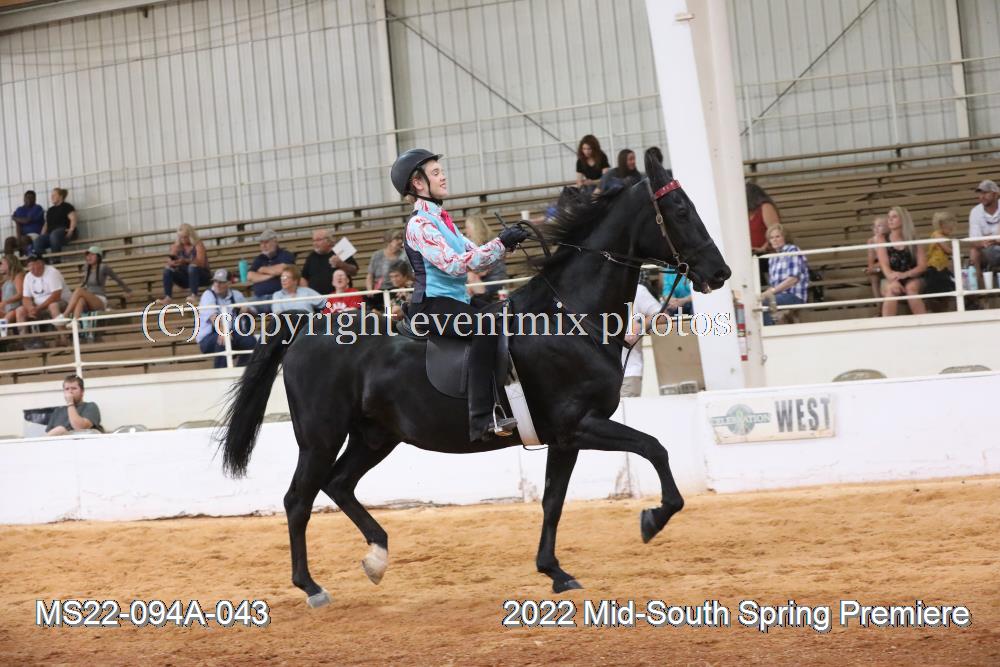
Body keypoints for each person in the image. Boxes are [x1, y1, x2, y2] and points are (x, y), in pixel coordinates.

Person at [390, 148, 528, 442]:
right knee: (485, 327)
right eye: (436, 173)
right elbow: (454, 265)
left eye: (441, 171)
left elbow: (478, 259)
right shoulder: (420, 224)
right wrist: (499, 243)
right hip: (432, 306)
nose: (443, 176)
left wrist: (507, 244)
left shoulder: (444, 220)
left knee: (508, 312)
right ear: (418, 183)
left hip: (456, 302)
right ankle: (482, 418)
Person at [53, 246, 131, 327]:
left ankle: (64, 316)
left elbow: (116, 278)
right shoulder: (87, 268)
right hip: (89, 299)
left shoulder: (103, 267)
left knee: (79, 290)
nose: (89, 257)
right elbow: (85, 283)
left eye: (92, 255)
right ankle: (75, 322)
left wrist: (128, 291)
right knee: (81, 299)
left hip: (99, 300)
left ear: (98, 257)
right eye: (88, 255)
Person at [196, 269, 257, 368]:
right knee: (225, 339)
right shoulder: (208, 295)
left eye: (221, 282)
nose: (217, 284)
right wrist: (223, 332)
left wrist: (247, 309)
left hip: (232, 334)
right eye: (215, 281)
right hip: (208, 338)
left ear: (229, 283)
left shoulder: (236, 294)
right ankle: (220, 374)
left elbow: (254, 312)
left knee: (251, 341)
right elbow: (213, 317)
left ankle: (242, 372)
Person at [876, 206, 927, 317]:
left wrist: (905, 274)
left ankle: (923, 321)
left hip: (913, 276)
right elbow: (884, 265)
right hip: (890, 276)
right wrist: (893, 279)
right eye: (889, 217)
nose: (890, 220)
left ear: (903, 219)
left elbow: (922, 265)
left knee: (911, 289)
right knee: (892, 289)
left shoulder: (913, 238)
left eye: (894, 217)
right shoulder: (882, 238)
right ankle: (888, 324)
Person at [762, 224, 809, 325]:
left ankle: (770, 330)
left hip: (794, 296)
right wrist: (763, 294)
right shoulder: (772, 258)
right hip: (779, 296)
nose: (774, 240)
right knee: (755, 302)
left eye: (777, 236)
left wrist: (771, 292)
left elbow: (793, 279)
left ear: (785, 238)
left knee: (763, 302)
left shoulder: (792, 250)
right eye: (771, 237)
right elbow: (773, 285)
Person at [621, 282, 662, 398]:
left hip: (628, 374)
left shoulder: (637, 289)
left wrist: (640, 325)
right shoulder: (594, 289)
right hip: (596, 375)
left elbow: (662, 315)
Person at [159, 223, 211, 304]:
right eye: (181, 237)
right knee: (167, 270)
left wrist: (185, 261)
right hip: (185, 278)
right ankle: (168, 297)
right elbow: (169, 261)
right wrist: (173, 262)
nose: (183, 239)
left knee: (192, 267)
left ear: (190, 236)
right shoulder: (177, 246)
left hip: (201, 276)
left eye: (185, 237)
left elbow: (201, 263)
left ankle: (194, 295)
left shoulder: (198, 245)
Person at [463, 215, 509, 307]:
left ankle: (481, 306)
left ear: (474, 228)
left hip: (493, 280)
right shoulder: (473, 244)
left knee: (470, 277)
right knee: (467, 283)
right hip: (482, 280)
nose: (465, 230)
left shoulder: (488, 245)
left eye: (467, 227)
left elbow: (483, 271)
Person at [13, 253, 66, 327]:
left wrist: (38, 308)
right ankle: (24, 335)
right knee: (20, 310)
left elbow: (56, 296)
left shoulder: (52, 272)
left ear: (41, 263)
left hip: (60, 302)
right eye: (29, 265)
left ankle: (63, 333)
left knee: (53, 306)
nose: (31, 268)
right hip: (38, 307)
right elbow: (26, 298)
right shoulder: (28, 277)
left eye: (33, 264)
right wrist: (30, 308)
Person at [247, 229, 295, 311]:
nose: (263, 245)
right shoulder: (260, 258)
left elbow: (284, 269)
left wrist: (263, 269)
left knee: (280, 311)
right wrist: (272, 274)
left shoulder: (285, 255)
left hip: (280, 297)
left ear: (275, 241)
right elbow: (250, 276)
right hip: (259, 298)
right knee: (243, 309)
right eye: (261, 243)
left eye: (266, 242)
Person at [300, 229, 358, 294]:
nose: (315, 243)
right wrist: (308, 293)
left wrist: (341, 264)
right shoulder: (311, 256)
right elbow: (304, 277)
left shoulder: (340, 250)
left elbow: (354, 271)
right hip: (317, 298)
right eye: (313, 240)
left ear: (328, 241)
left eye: (318, 240)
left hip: (339, 296)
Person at [747, 182, 781, 285]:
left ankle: (763, 289)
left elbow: (775, 231)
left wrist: (763, 248)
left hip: (768, 252)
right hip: (753, 254)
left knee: (753, 263)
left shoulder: (765, 207)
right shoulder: (745, 213)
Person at [968, 179, 1000, 285]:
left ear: (995, 194)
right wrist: (985, 242)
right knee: (974, 252)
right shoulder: (975, 211)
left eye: (985, 193)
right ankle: (980, 289)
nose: (982, 196)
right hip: (985, 250)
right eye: (980, 193)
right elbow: (974, 239)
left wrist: (992, 239)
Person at [33, 188, 78, 258]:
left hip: (64, 231)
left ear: (61, 196)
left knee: (54, 235)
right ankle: (44, 261)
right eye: (51, 195)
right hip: (51, 234)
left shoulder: (67, 206)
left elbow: (73, 219)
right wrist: (41, 235)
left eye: (54, 195)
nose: (52, 197)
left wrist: (71, 231)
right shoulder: (50, 210)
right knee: (37, 241)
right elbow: (46, 224)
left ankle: (56, 260)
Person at [923, 211, 956, 302]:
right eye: (950, 228)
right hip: (936, 266)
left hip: (942, 265)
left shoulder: (942, 236)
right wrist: (955, 251)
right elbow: (947, 250)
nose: (951, 231)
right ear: (942, 225)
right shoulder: (937, 236)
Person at [10, 190, 45, 256]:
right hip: (22, 236)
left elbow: (27, 220)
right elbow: (18, 224)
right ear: (24, 199)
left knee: (24, 239)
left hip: (35, 235)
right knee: (9, 241)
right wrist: (18, 238)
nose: (29, 199)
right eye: (27, 197)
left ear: (35, 199)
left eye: (31, 198)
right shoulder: (19, 209)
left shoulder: (38, 208)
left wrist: (14, 218)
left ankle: (28, 259)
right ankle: (9, 260)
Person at [864, 216, 889, 301]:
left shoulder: (890, 238)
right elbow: (870, 259)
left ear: (887, 227)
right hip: (879, 265)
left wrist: (877, 266)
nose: (876, 229)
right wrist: (871, 267)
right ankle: (879, 306)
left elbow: (890, 258)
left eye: (879, 226)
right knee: (873, 277)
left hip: (890, 264)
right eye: (874, 226)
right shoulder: (871, 241)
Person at [0, 254, 26, 326]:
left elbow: (20, 294)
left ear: (9, 264)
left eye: (2, 263)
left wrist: (5, 302)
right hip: (6, 309)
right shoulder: (6, 278)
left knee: (4, 322)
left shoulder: (18, 276)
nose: (0, 266)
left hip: (15, 308)